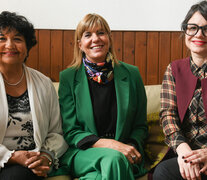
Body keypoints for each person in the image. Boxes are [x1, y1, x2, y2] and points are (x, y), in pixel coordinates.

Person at [55, 13, 148, 179]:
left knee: (105, 170)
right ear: (80, 44)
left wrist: (130, 146)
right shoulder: (68, 78)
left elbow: (140, 125)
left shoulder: (132, 74)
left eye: (101, 33)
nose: (95, 39)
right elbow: (71, 130)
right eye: (87, 35)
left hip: (126, 153)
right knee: (114, 158)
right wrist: (114, 146)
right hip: (84, 153)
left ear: (109, 39)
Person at [0, 11, 68, 180]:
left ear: (27, 46)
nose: (10, 45)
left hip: (29, 164)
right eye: (2, 38)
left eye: (17, 39)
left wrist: (45, 157)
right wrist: (12, 156)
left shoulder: (43, 83)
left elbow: (56, 133)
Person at [153, 1, 207, 179]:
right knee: (163, 172)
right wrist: (183, 151)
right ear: (185, 31)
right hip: (186, 152)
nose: (199, 34)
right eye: (193, 28)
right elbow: (168, 115)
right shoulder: (174, 69)